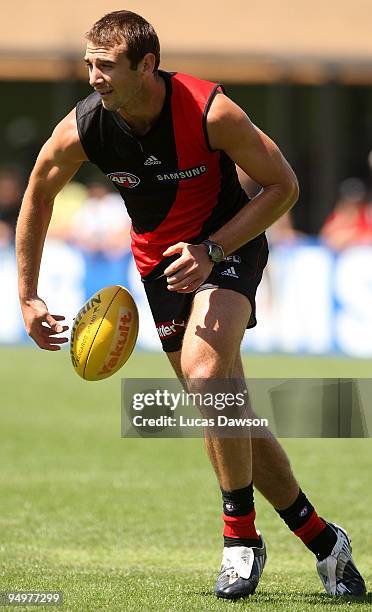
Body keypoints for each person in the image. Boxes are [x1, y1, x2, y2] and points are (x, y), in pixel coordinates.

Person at [15, 10, 366, 600]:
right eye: (88, 65)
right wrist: (26, 295)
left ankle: (240, 539)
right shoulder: (83, 128)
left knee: (207, 379)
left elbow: (285, 186)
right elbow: (38, 195)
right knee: (228, 408)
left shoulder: (211, 111)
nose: (93, 77)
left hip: (228, 243)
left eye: (106, 66)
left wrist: (211, 248)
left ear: (145, 65)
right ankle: (323, 539)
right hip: (161, 268)